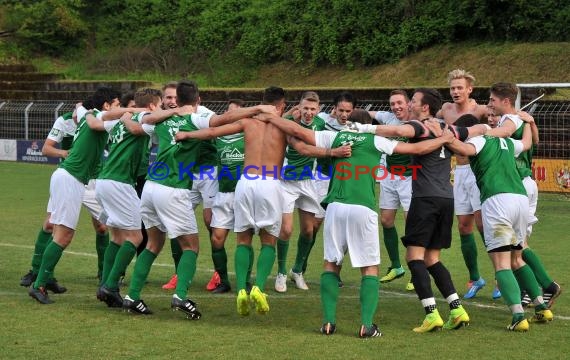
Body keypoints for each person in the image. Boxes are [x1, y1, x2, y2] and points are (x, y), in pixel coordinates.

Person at [262, 102, 457, 338]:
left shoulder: (336, 137)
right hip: (362, 209)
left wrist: (271, 117)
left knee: (331, 264)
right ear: (369, 124)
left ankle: (328, 323)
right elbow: (416, 150)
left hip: (335, 207)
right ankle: (367, 325)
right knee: (370, 269)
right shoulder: (375, 140)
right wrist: (444, 139)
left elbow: (299, 133)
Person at [121, 80, 276, 317]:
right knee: (191, 246)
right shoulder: (195, 119)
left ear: (176, 100)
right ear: (197, 101)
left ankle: (132, 296)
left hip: (151, 188)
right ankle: (181, 297)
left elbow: (137, 123)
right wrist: (258, 109)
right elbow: (224, 120)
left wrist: (159, 112)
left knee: (154, 243)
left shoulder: (161, 120)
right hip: (173, 189)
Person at [366, 88, 489, 332]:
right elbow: (478, 128)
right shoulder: (448, 129)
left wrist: (363, 129)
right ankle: (457, 309)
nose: (409, 104)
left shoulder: (420, 127)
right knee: (432, 258)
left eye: (413, 100)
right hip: (446, 198)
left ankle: (431, 314)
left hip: (425, 199)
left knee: (414, 257)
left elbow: (398, 130)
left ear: (425, 108)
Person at [445, 113, 553, 331]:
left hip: (497, 201)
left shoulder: (479, 139)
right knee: (517, 258)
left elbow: (465, 150)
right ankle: (542, 307)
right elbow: (527, 143)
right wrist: (530, 122)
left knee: (501, 264)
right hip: (520, 200)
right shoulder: (506, 142)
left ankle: (518, 316)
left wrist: (447, 137)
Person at [28, 87, 121, 304]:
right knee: (63, 235)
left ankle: (45, 280)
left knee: (98, 226)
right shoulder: (96, 117)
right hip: (70, 178)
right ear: (106, 106)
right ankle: (39, 283)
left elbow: (80, 109)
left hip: (73, 179)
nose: (120, 108)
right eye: (117, 104)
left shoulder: (88, 114)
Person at [486, 82, 561, 308]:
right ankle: (533, 291)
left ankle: (546, 286)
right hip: (518, 186)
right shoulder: (520, 119)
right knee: (516, 246)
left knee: (518, 247)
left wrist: (483, 132)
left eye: (492, 100)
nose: (489, 104)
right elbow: (534, 142)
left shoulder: (512, 120)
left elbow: (509, 133)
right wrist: (530, 121)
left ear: (505, 101)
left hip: (517, 186)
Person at [95, 88, 162, 307]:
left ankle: (105, 286)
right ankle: (111, 285)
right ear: (152, 106)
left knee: (117, 237)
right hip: (119, 183)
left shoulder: (121, 120)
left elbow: (100, 121)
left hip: (105, 181)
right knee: (136, 238)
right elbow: (151, 117)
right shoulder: (142, 116)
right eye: (160, 104)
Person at [437, 69, 494, 299]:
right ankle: (475, 278)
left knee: (484, 226)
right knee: (463, 227)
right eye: (452, 88)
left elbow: (501, 118)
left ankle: (501, 275)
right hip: (457, 172)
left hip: (477, 169)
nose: (455, 91)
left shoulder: (480, 110)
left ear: (469, 89)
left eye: (460, 87)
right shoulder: (446, 109)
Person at [274, 91, 326, 293]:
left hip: (308, 183)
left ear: (318, 109)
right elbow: (274, 122)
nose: (309, 112)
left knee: (308, 230)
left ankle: (297, 270)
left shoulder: (321, 124)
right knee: (286, 230)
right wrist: (289, 117)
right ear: (299, 107)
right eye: (305, 108)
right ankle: (280, 273)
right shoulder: (288, 122)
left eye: (313, 109)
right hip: (286, 182)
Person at [368, 89, 415, 291]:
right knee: (386, 220)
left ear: (409, 104)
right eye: (392, 104)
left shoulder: (416, 120)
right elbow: (367, 115)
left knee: (411, 224)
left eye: (399, 103)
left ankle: (416, 271)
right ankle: (396, 266)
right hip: (388, 176)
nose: (396, 107)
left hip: (410, 177)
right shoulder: (387, 117)